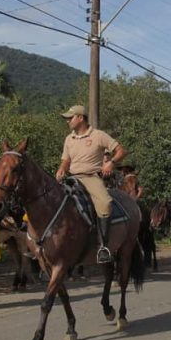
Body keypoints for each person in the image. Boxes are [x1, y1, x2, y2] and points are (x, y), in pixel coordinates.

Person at [55, 105, 127, 263]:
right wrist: (61, 170)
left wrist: (111, 163)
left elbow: (121, 150)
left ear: (81, 118)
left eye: (70, 117)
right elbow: (66, 160)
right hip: (71, 178)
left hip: (91, 177)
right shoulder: (69, 139)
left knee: (105, 203)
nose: (68, 121)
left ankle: (103, 247)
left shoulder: (99, 135)